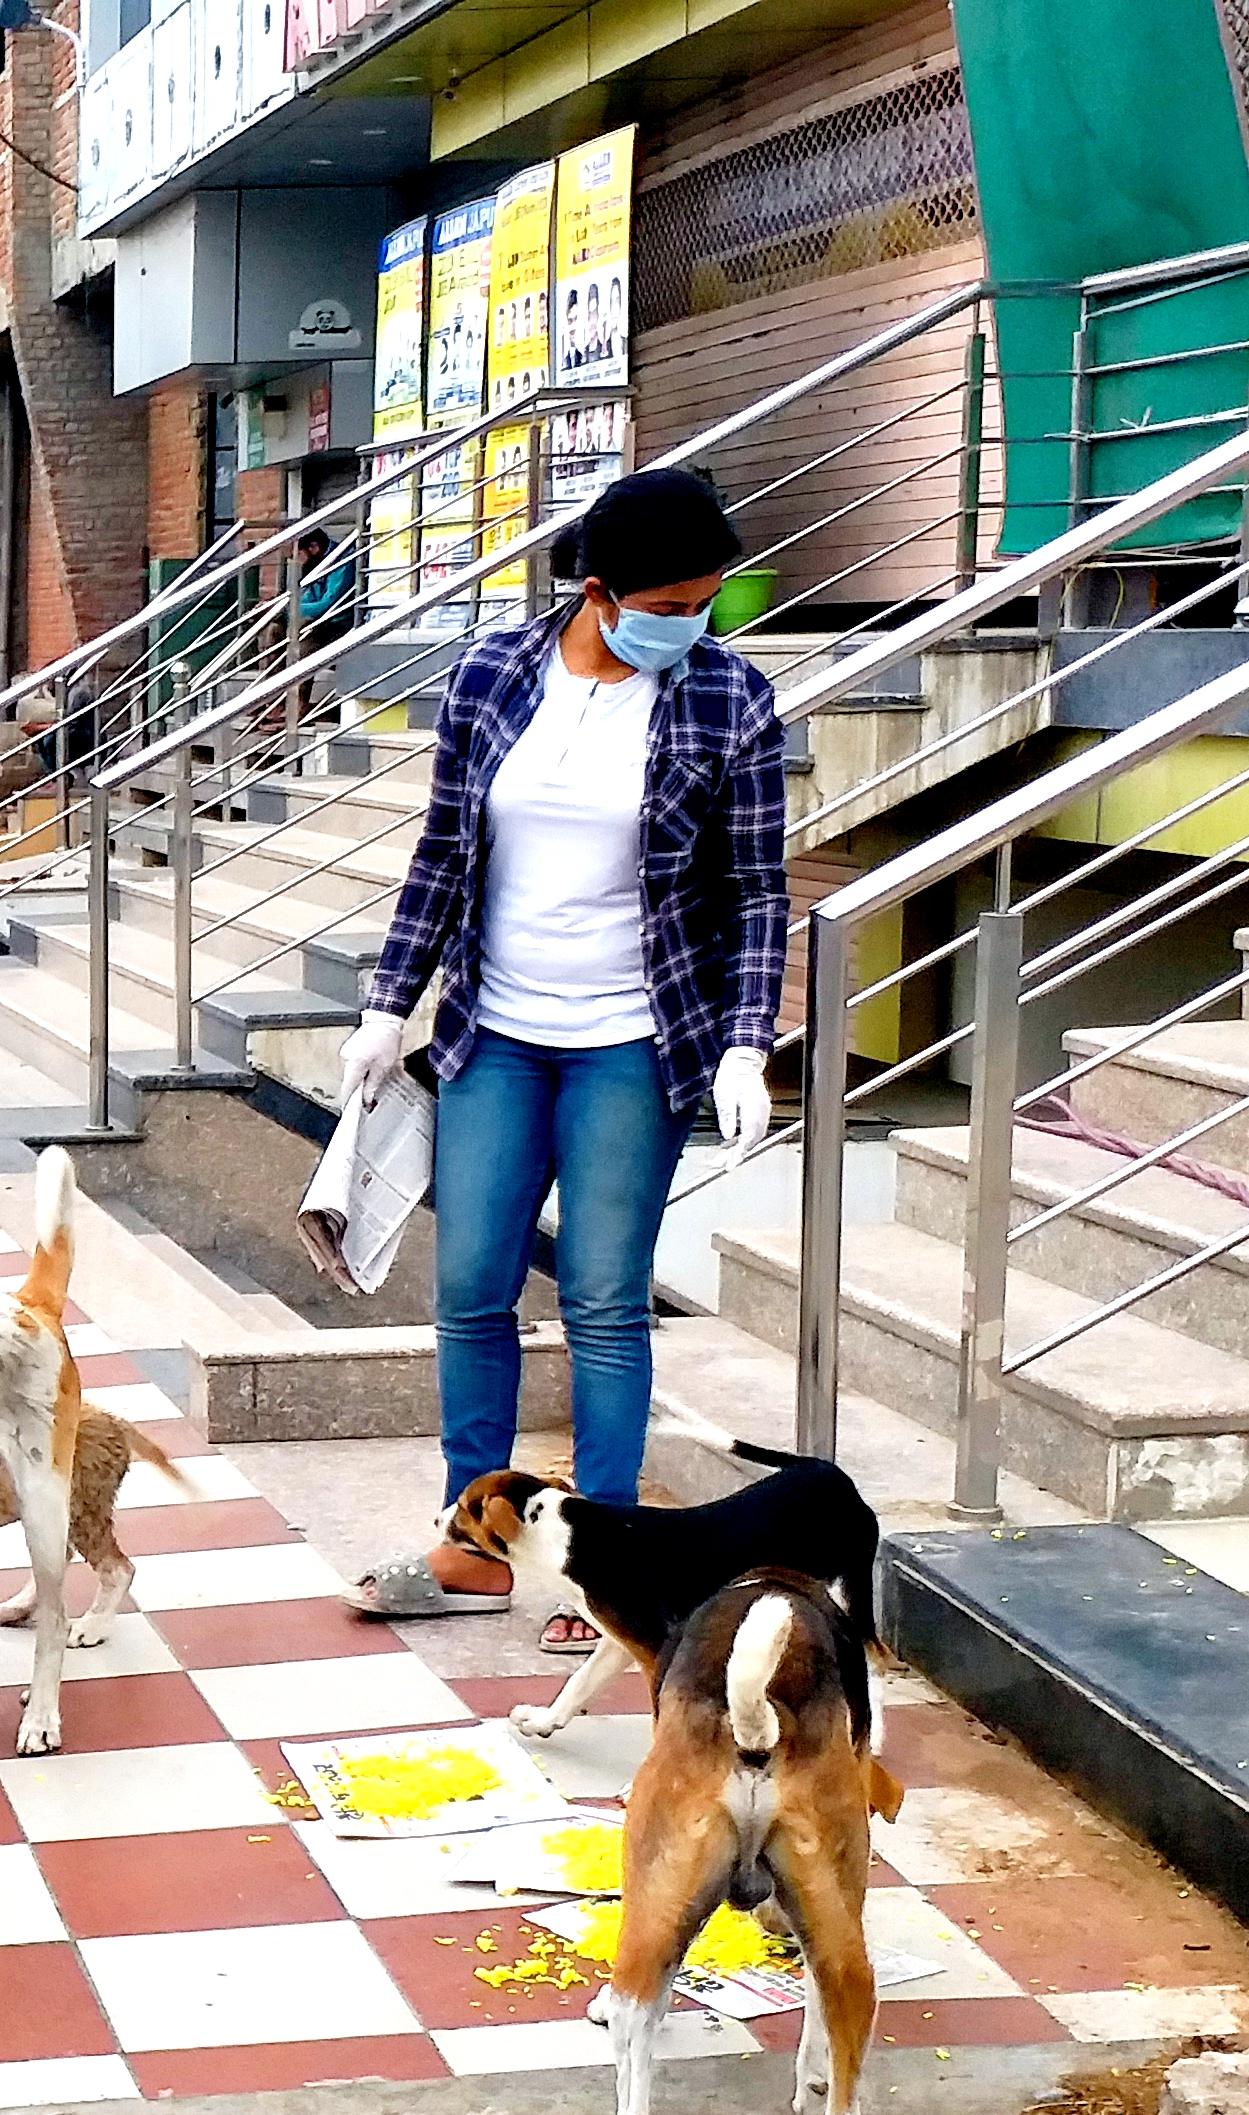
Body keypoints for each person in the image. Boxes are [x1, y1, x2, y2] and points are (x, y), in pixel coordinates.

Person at [333, 467, 789, 1644]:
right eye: (677, 601)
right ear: (598, 591)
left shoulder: (729, 700)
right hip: (496, 1032)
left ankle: (609, 1560)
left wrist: (746, 1042)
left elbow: (754, 891)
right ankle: (473, 1535)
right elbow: (442, 852)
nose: (695, 622)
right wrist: (391, 1004)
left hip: (635, 1043)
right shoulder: (492, 675)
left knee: (601, 1301)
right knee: (471, 1288)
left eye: (709, 601)